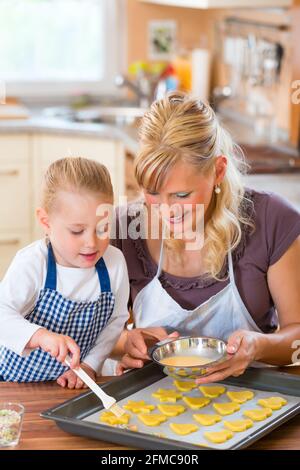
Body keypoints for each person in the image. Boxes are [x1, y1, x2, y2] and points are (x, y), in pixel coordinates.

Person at [111, 91, 300, 383]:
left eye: (182, 195)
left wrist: (258, 346)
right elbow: (87, 335)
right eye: (152, 193)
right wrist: (127, 342)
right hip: (155, 405)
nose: (165, 210)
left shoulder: (271, 220)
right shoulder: (122, 230)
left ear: (218, 170)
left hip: (253, 404)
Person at [0, 157, 129, 387]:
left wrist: (90, 365)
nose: (91, 242)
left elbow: (115, 323)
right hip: (13, 386)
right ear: (46, 221)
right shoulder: (32, 263)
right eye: (77, 231)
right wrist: (39, 336)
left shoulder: (114, 263)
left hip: (71, 387)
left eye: (103, 228)